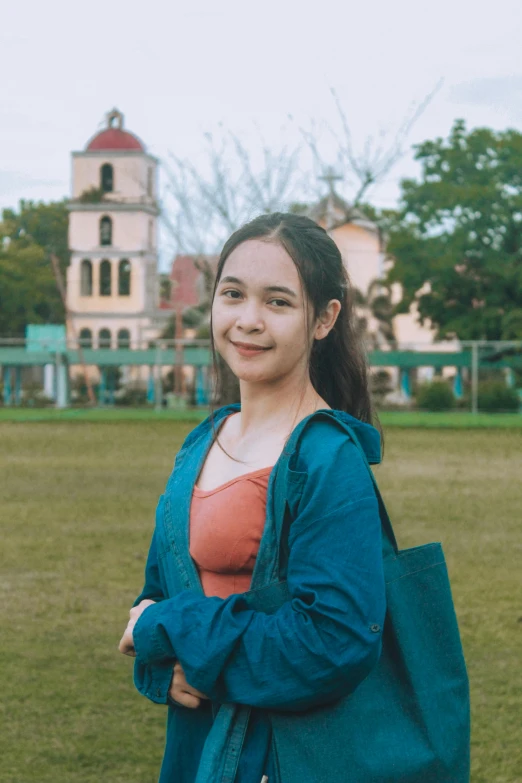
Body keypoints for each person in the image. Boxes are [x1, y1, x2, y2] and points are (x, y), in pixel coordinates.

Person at [118, 212, 387, 782]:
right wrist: (159, 664)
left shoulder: (326, 456)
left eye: (278, 302)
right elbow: (160, 595)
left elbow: (333, 642)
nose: (248, 321)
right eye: (233, 294)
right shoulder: (203, 440)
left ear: (324, 319)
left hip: (279, 757)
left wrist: (169, 630)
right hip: (200, 748)